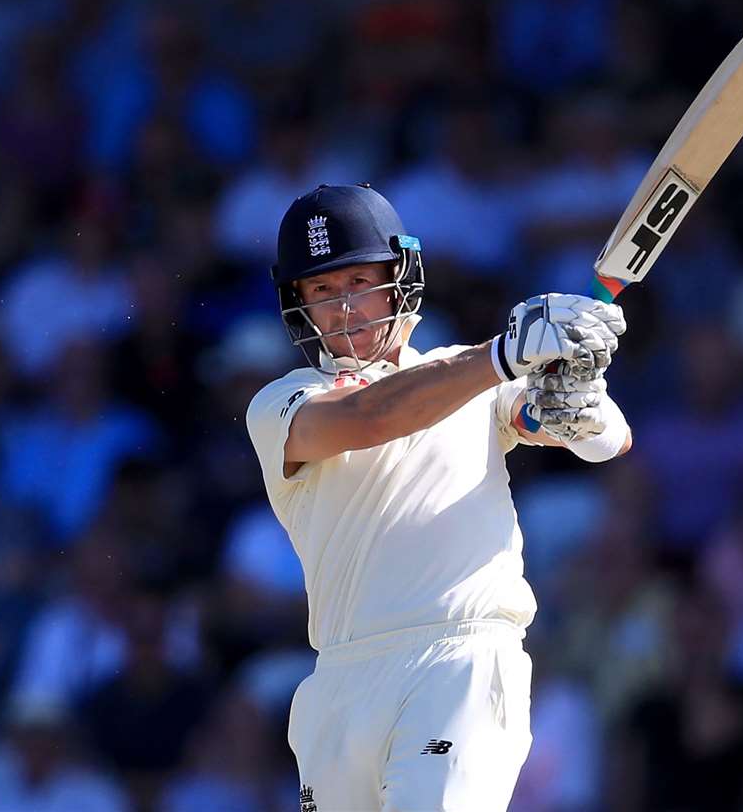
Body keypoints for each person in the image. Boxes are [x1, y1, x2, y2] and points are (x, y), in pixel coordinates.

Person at [243, 183, 629, 810]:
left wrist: (578, 402)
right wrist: (507, 355)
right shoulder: (280, 405)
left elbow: (603, 443)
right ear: (298, 305)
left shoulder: (473, 378)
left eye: (361, 280)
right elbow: (372, 416)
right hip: (339, 681)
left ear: (400, 278)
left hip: (459, 664)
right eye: (323, 290)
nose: (346, 308)